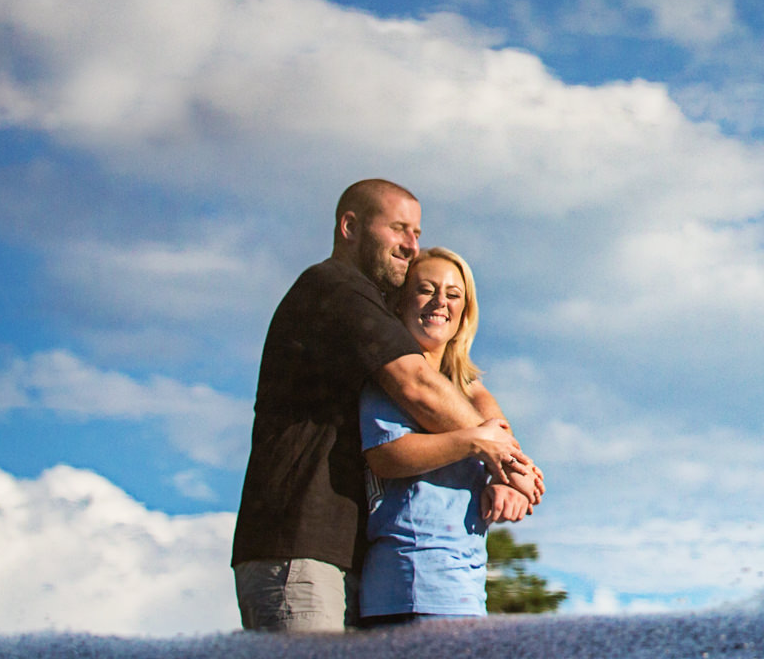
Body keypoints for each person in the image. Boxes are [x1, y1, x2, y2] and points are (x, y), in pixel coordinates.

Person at [231, 179, 541, 632]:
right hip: (298, 546)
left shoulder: (366, 308)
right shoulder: (336, 287)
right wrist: (506, 462)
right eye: (399, 229)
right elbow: (417, 385)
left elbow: (463, 389)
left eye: (416, 232)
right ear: (350, 226)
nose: (411, 245)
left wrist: (502, 456)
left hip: (341, 556)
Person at [358, 247, 535, 624]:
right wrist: (473, 442)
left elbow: (507, 451)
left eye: (453, 294)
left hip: (464, 587)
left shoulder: (470, 390)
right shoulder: (392, 380)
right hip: (412, 581)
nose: (440, 302)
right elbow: (387, 455)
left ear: (464, 313)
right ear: (401, 304)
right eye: (426, 290)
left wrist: (507, 487)